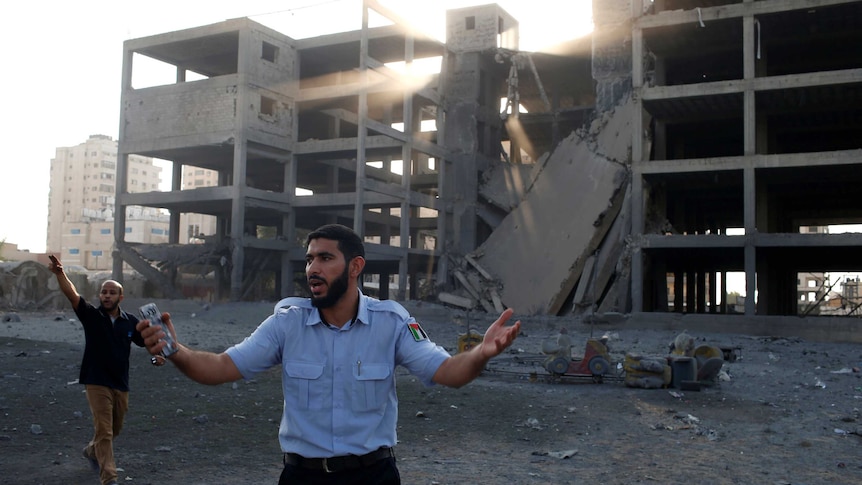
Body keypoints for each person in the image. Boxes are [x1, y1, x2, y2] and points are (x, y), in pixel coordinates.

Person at [138, 223, 521, 485]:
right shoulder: (286, 323)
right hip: (302, 476)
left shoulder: (391, 322)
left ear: (355, 267)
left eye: (324, 258)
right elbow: (221, 367)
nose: (312, 269)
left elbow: (448, 372)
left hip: (373, 475)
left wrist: (481, 354)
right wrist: (177, 351)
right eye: (309, 260)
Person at [49, 255, 149, 485]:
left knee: (114, 429)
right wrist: (60, 273)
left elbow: (148, 345)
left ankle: (92, 451)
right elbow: (72, 295)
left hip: (120, 382)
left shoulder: (130, 322)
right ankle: (109, 478)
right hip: (96, 380)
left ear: (120, 297)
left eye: (111, 292)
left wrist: (159, 357)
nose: (106, 295)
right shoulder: (92, 316)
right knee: (104, 430)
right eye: (104, 292)